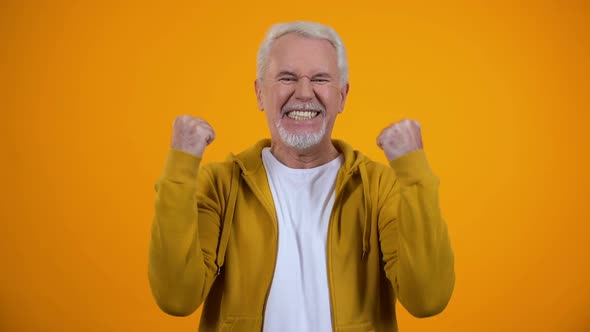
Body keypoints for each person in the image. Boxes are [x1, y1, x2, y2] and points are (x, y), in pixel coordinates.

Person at [148, 21, 455, 332]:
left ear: (343, 96)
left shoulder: (380, 186)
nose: (304, 93)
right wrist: (180, 167)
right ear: (259, 94)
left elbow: (427, 299)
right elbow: (176, 297)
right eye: (286, 78)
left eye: (320, 79)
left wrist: (414, 171)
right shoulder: (219, 185)